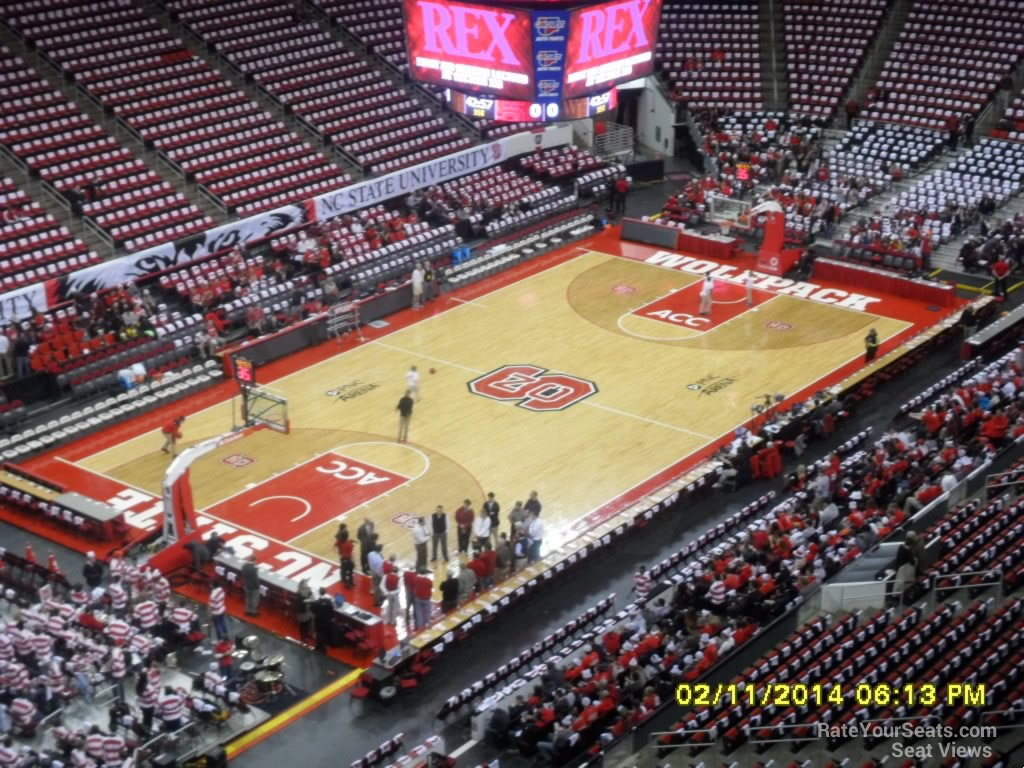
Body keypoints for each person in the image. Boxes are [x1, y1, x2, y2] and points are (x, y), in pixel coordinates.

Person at [311, 587, 335, 652]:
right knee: (324, 634)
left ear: (319, 592)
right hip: (326, 621)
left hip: (318, 621)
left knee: (319, 633)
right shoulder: (329, 602)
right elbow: (332, 611)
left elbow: (313, 611)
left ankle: (318, 647)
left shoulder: (316, 602)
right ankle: (322, 647)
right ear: (325, 592)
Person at [295, 579, 314, 643]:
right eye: (305, 584)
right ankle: (303, 637)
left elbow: (312, 597)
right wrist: (308, 601)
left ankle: (306, 634)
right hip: (301, 611)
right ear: (302, 585)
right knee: (302, 625)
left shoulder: (309, 590)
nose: (307, 585)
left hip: (308, 611)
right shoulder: (298, 593)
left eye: (307, 583)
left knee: (308, 623)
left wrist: (309, 599)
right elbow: (300, 603)